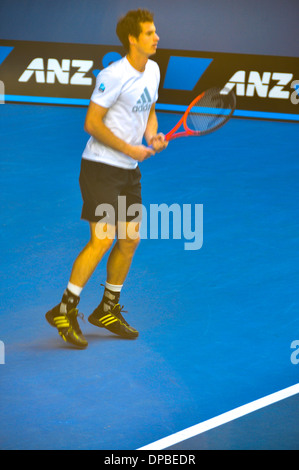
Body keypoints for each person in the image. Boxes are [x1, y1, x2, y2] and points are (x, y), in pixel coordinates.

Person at [45, 9, 168, 349]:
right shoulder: (113, 75)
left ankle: (107, 309)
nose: (157, 38)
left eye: (155, 32)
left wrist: (152, 136)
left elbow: (150, 110)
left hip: (129, 170)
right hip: (100, 167)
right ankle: (64, 310)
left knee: (130, 240)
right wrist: (131, 147)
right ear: (133, 38)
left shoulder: (154, 70)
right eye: (149, 33)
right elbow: (92, 123)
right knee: (103, 238)